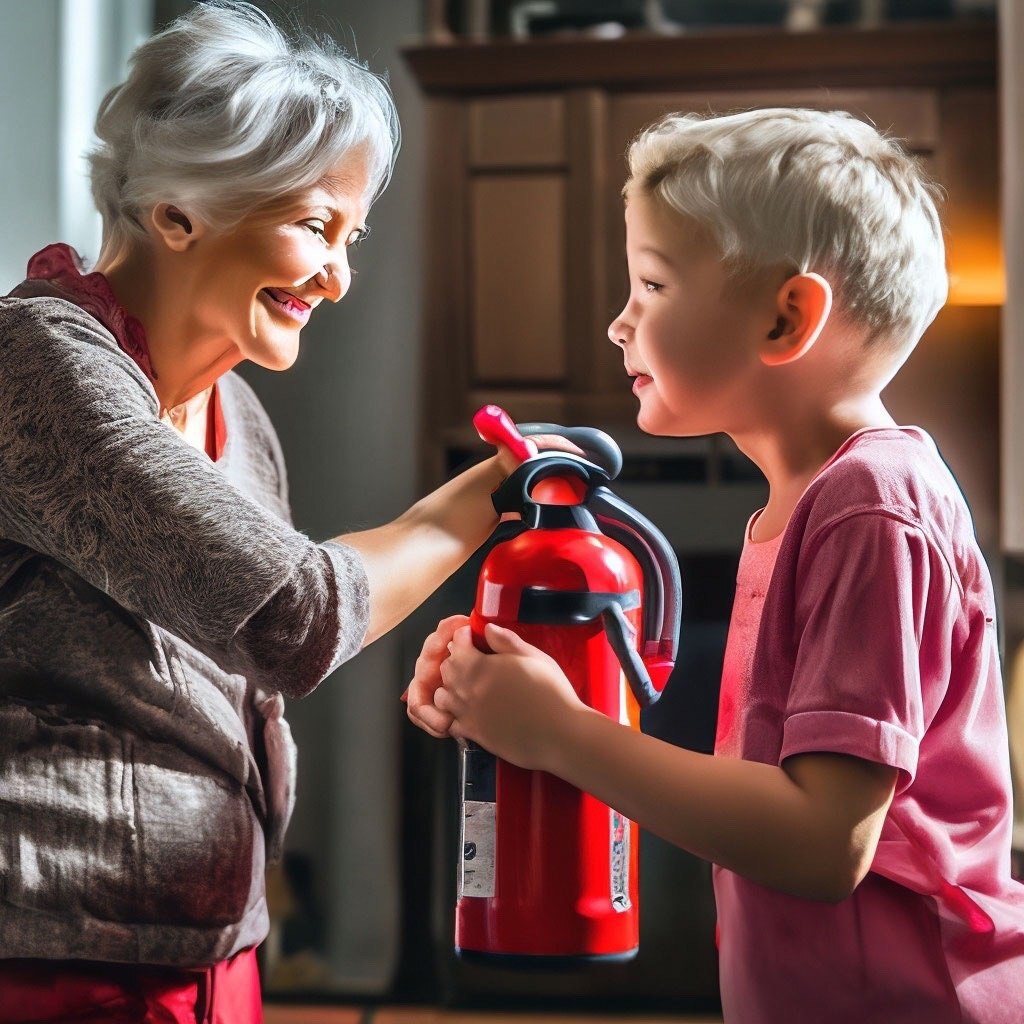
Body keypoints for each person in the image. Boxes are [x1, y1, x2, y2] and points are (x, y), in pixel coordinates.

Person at [0, 3, 557, 1022]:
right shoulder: (37, 365)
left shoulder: (237, 411)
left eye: (352, 237)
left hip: (213, 944)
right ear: (179, 212)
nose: (339, 277)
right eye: (313, 226)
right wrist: (496, 491)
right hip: (57, 956)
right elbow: (294, 619)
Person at [407, 107, 1024, 1022]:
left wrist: (563, 736)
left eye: (653, 285)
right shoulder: (811, 501)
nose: (621, 323)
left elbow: (822, 842)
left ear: (787, 317)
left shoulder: (875, 507)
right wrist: (501, 699)